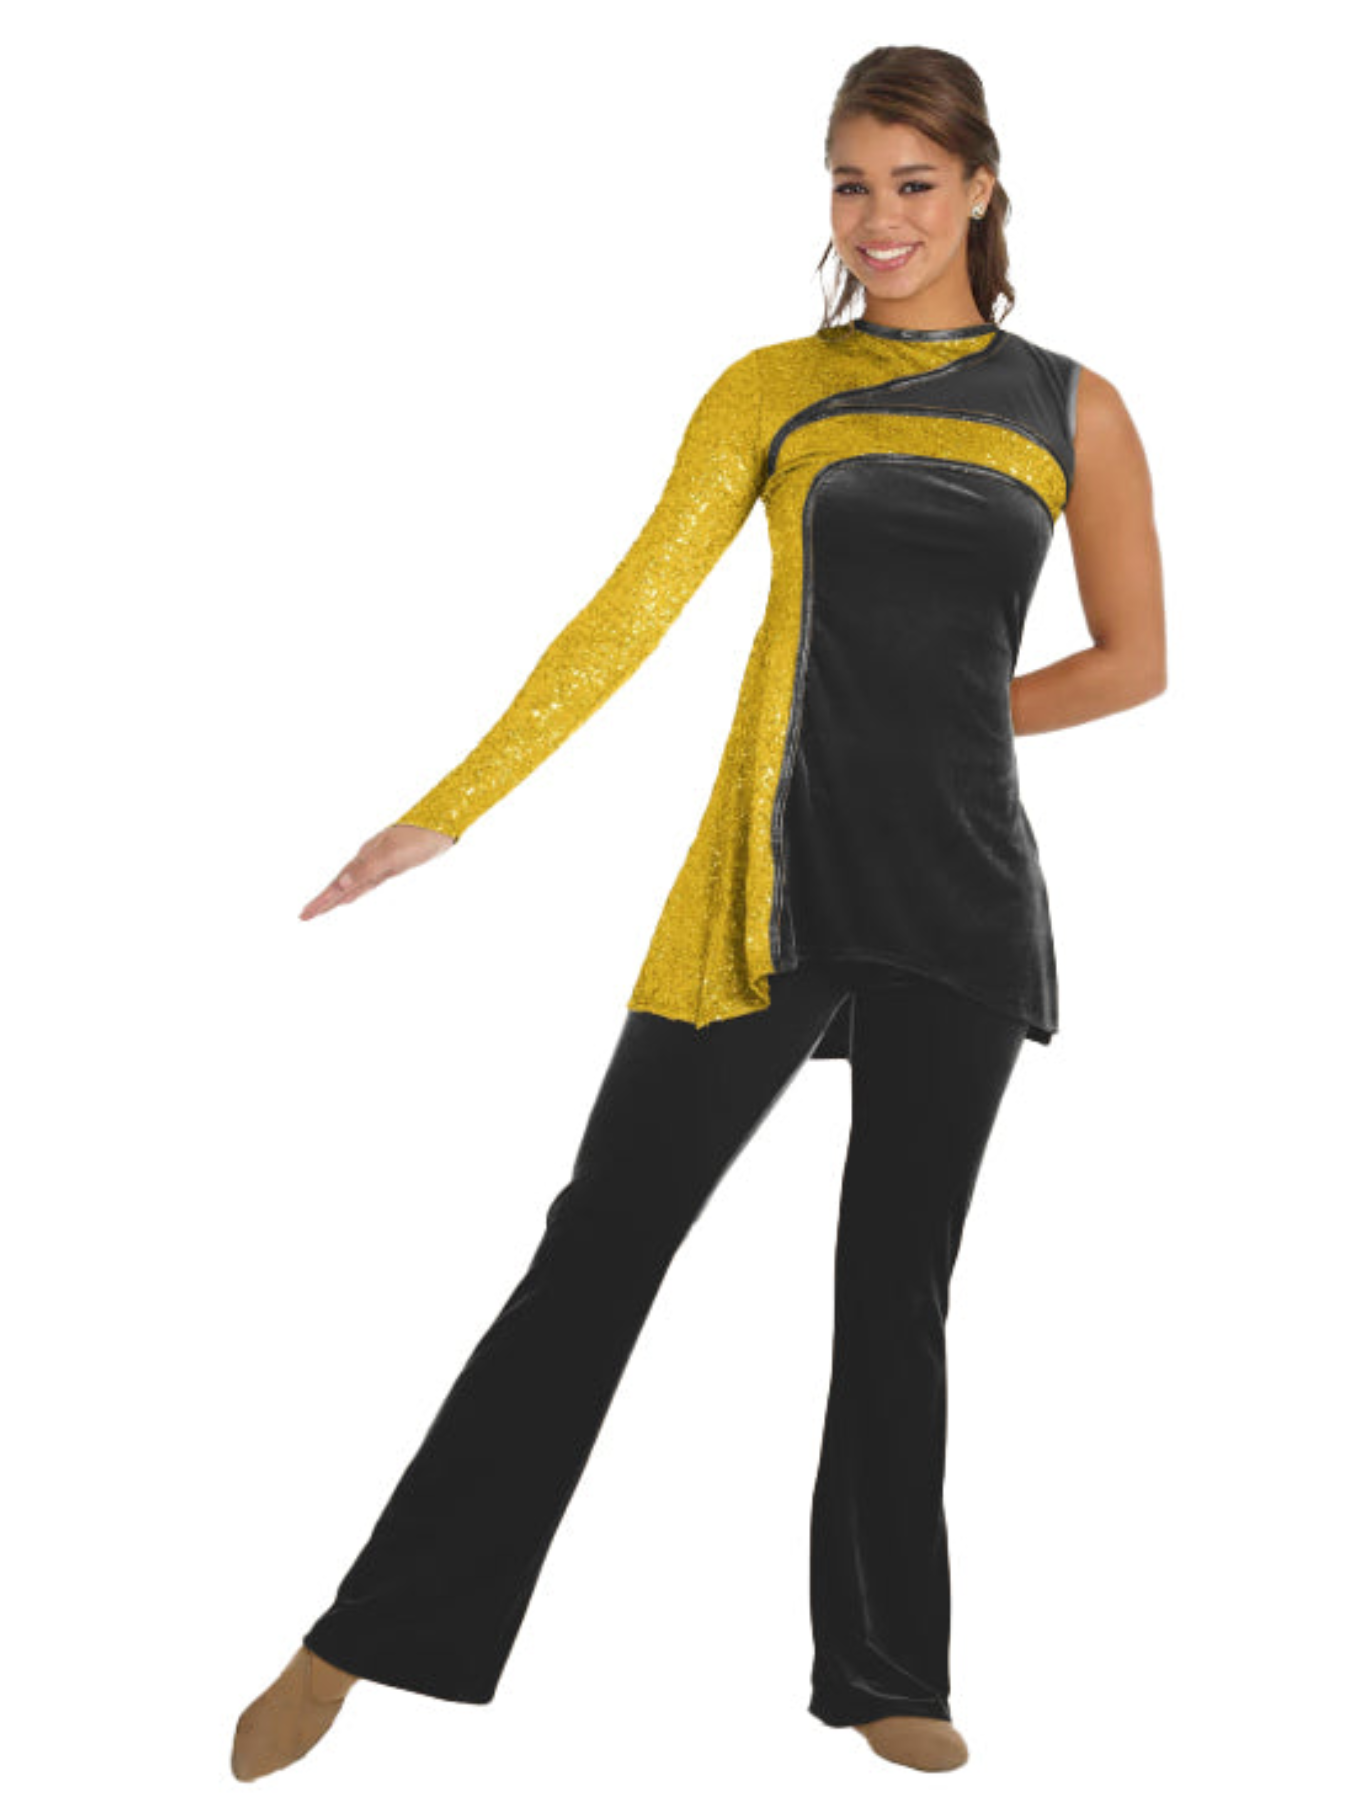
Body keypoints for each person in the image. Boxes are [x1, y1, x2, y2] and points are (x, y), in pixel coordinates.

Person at [231, 42, 1164, 1781]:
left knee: (895, 1288)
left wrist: (954, 721)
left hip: (960, 894)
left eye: (911, 182)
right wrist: (451, 806)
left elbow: (1134, 661)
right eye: (849, 183)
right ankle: (365, 1638)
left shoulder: (1071, 406)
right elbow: (629, 610)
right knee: (598, 1250)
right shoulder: (775, 389)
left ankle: (885, 1667)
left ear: (979, 188)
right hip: (766, 881)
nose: (878, 218)